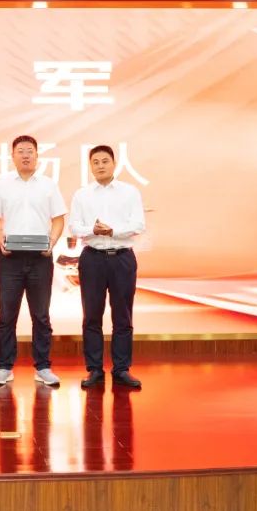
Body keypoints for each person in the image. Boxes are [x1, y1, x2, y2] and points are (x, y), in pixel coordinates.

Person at [0, 135, 67, 388]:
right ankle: (4, 367)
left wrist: (52, 242)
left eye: (30, 151)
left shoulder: (49, 185)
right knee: (7, 314)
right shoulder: (1, 186)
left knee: (41, 315)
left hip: (41, 257)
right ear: (12, 156)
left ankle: (43, 367)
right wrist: (0, 240)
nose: (25, 155)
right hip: (10, 258)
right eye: (20, 151)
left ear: (37, 155)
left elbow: (58, 218)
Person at [68, 145, 145, 389]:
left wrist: (113, 231)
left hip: (122, 258)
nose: (100, 165)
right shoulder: (82, 194)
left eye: (105, 161)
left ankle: (121, 369)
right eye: (95, 162)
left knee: (123, 316)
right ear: (90, 166)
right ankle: (94, 369)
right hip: (92, 258)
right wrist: (92, 230)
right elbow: (74, 226)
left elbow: (138, 224)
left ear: (114, 163)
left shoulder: (129, 192)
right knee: (92, 315)